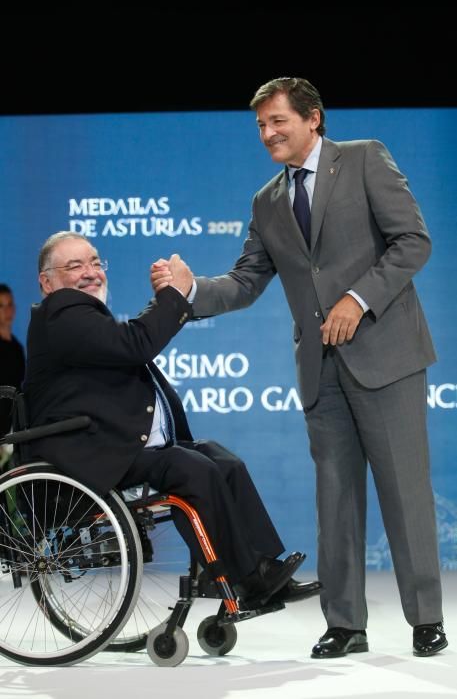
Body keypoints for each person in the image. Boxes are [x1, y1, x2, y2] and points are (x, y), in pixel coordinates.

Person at [151, 77, 447, 657]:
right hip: (320, 368)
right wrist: (191, 291)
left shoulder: (363, 160)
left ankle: (426, 620)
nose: (267, 134)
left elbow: (412, 240)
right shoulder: (267, 201)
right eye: (260, 126)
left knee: (405, 494)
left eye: (277, 121)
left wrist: (357, 299)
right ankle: (345, 624)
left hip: (387, 354)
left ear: (313, 118)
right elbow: (245, 282)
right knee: (334, 498)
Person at [23, 230, 320, 610]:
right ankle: (248, 578)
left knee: (221, 460)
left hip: (110, 443)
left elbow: (128, 340)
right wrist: (173, 295)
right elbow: (136, 344)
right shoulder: (63, 310)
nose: (91, 272)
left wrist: (167, 299)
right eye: (75, 265)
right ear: (47, 282)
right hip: (87, 452)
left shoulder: (77, 318)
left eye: (96, 262)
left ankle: (262, 570)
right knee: (191, 468)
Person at [0, 284, 26, 466]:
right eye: (1, 305)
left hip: (10, 430)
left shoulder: (17, 348)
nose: (7, 310)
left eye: (10, 304)